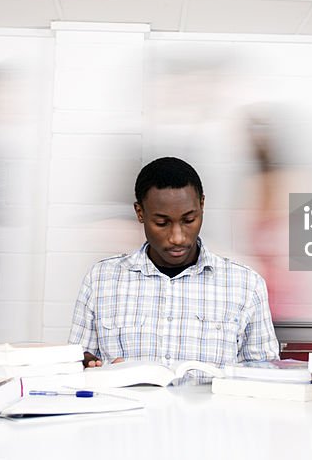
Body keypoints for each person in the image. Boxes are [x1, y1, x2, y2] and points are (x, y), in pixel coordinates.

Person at [69, 157, 279, 373]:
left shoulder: (246, 284)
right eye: (162, 223)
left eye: (189, 220)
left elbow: (263, 376)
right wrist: (89, 367)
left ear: (202, 206)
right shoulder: (101, 279)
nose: (177, 238)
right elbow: (76, 365)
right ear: (140, 213)